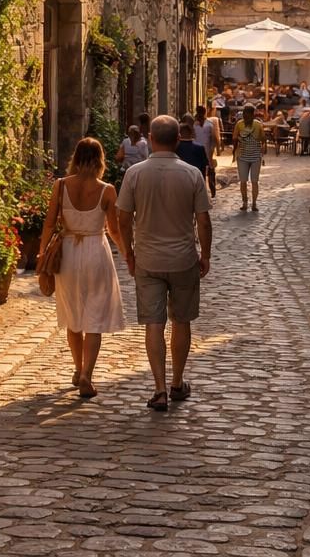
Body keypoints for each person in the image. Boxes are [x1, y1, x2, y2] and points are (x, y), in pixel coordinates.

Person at [116, 115, 212, 412]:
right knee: (181, 322)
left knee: (154, 324)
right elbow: (203, 220)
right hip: (183, 257)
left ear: (152, 140)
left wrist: (128, 252)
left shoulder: (135, 174)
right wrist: (205, 254)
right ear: (177, 140)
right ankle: (177, 381)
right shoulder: (192, 174)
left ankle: (159, 389)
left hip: (148, 258)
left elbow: (122, 217)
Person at [43, 138, 126, 398]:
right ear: (100, 160)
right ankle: (87, 375)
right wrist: (127, 253)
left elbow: (48, 224)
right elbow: (113, 229)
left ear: (75, 158)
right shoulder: (107, 190)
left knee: (73, 316)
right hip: (96, 252)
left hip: (68, 252)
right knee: (94, 318)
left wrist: (42, 252)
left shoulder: (61, 185)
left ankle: (78, 369)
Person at [232, 104, 264, 213]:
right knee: (243, 181)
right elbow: (234, 138)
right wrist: (234, 151)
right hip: (242, 156)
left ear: (252, 114)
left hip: (255, 156)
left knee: (254, 181)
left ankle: (254, 203)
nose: (247, 116)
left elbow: (263, 138)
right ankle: (245, 202)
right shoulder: (239, 124)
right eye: (245, 114)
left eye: (248, 114)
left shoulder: (258, 124)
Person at [192, 104, 219, 197]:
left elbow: (213, 139)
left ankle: (204, 190)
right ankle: (203, 191)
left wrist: (212, 150)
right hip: (201, 150)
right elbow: (214, 139)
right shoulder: (197, 124)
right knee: (204, 171)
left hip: (201, 151)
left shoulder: (198, 124)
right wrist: (214, 149)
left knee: (203, 171)